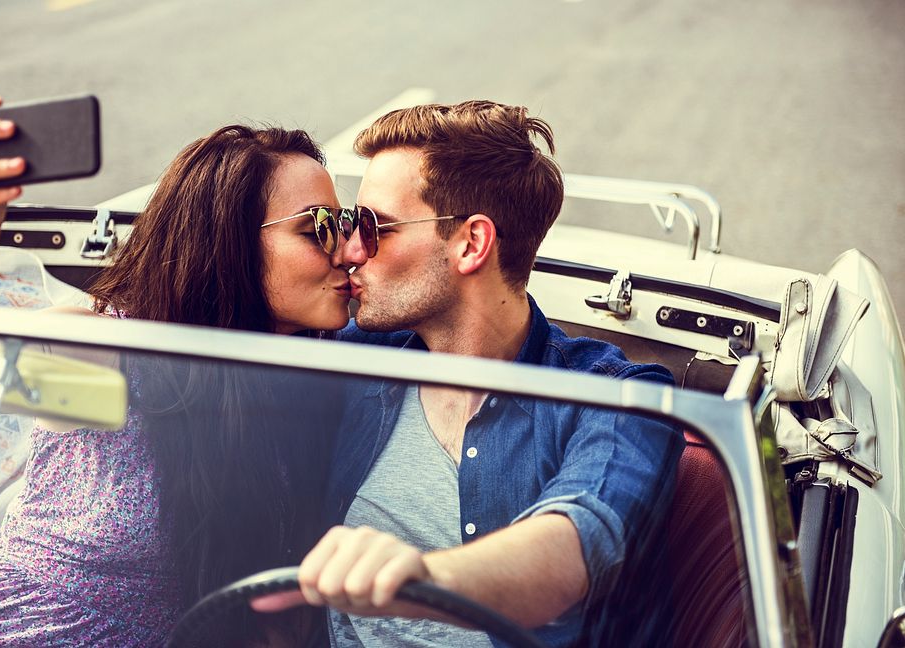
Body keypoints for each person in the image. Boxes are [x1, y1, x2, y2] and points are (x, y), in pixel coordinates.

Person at [0, 93, 359, 646]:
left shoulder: (320, 371)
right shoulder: (114, 355)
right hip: (4, 622)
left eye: (350, 223)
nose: (350, 249)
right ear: (231, 241)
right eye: (320, 228)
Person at [253, 100, 686, 646]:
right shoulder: (353, 357)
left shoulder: (617, 396)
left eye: (373, 226)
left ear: (471, 243)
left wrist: (425, 579)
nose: (351, 250)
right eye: (346, 225)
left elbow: (579, 539)